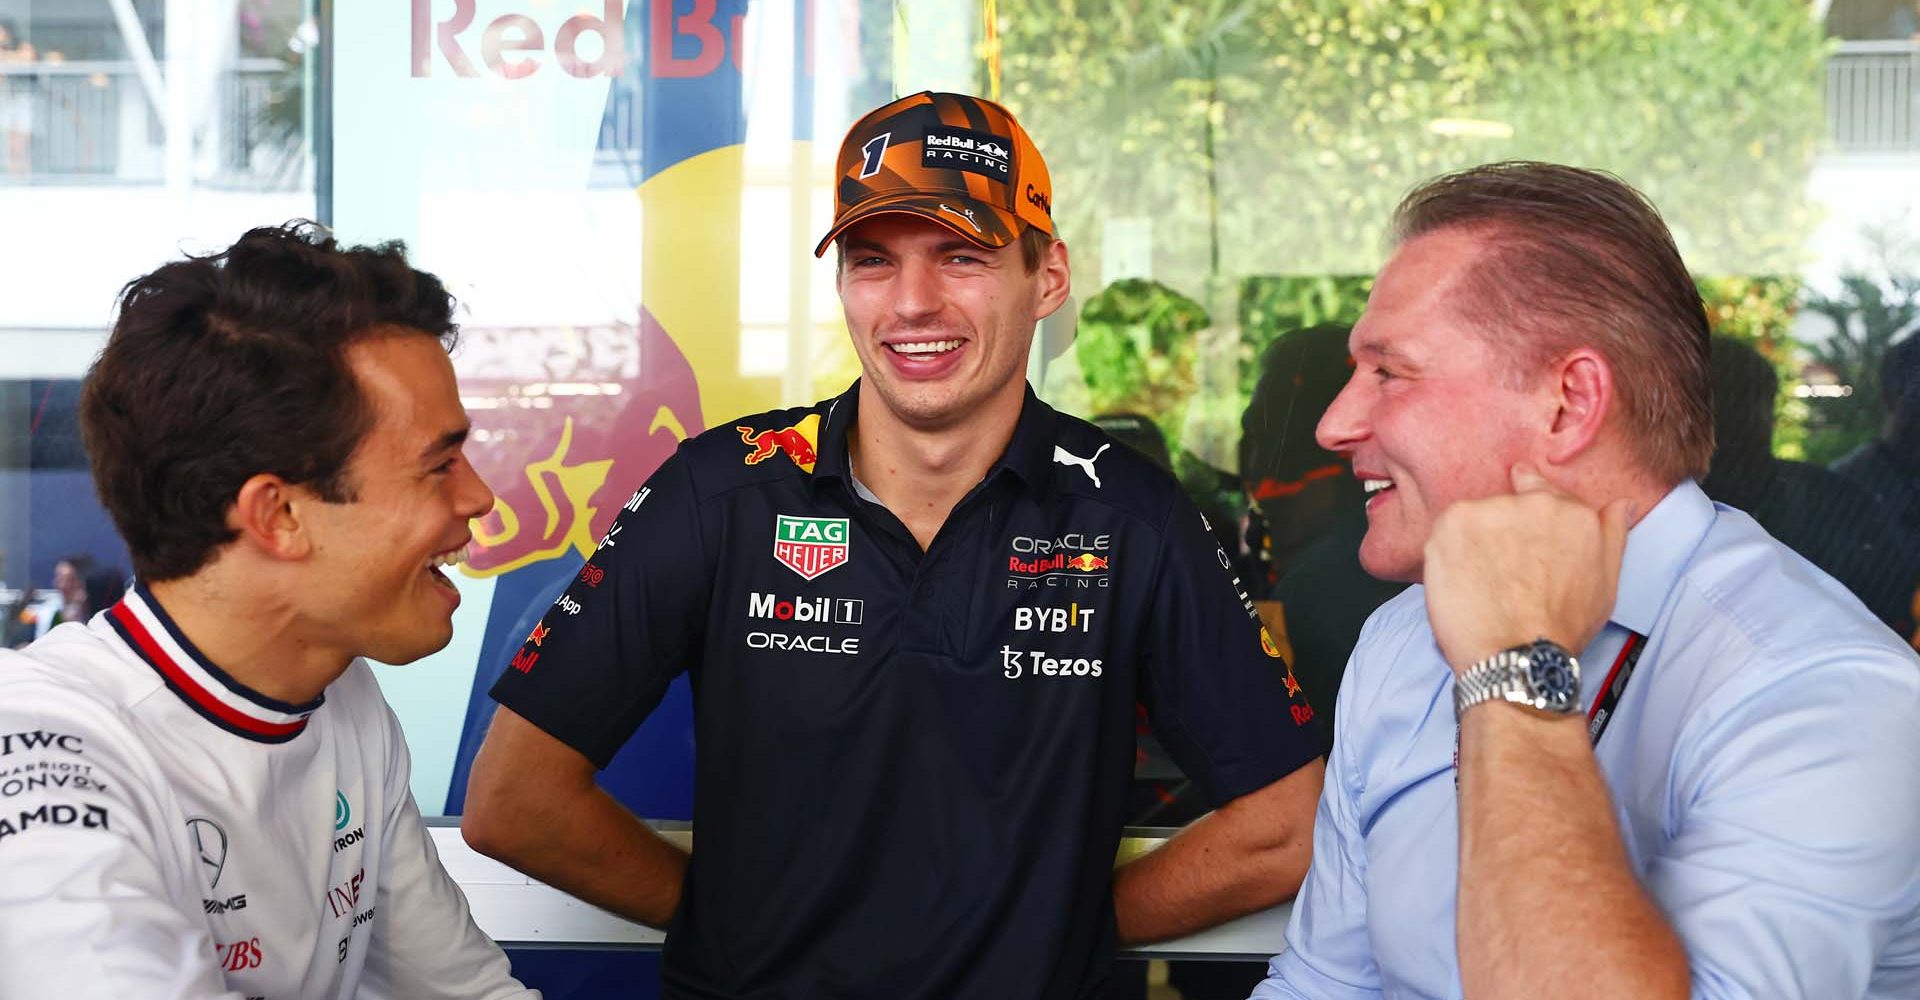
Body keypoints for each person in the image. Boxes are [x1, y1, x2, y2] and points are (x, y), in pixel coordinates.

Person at [463, 91, 1325, 1000]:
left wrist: (1068, 926)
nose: (913, 304)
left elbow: (1286, 826)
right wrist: (730, 924)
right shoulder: (722, 490)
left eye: (962, 256)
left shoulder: (1130, 513)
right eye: (873, 262)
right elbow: (515, 801)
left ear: (1048, 275)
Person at [1253, 161, 1920, 999]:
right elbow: (1323, 985)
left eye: (1389, 372)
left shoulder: (1821, 692)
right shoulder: (1400, 640)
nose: (1333, 424)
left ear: (1569, 404)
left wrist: (1512, 674)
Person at [0, 223, 538, 999]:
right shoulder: (47, 745)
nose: (479, 496)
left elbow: (467, 992)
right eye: (439, 464)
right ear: (278, 515)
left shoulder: (343, 699)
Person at [1702, 334, 1918, 637]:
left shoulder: (1839, 501)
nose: (1736, 417)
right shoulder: (1841, 501)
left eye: (1749, 398)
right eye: (1725, 399)